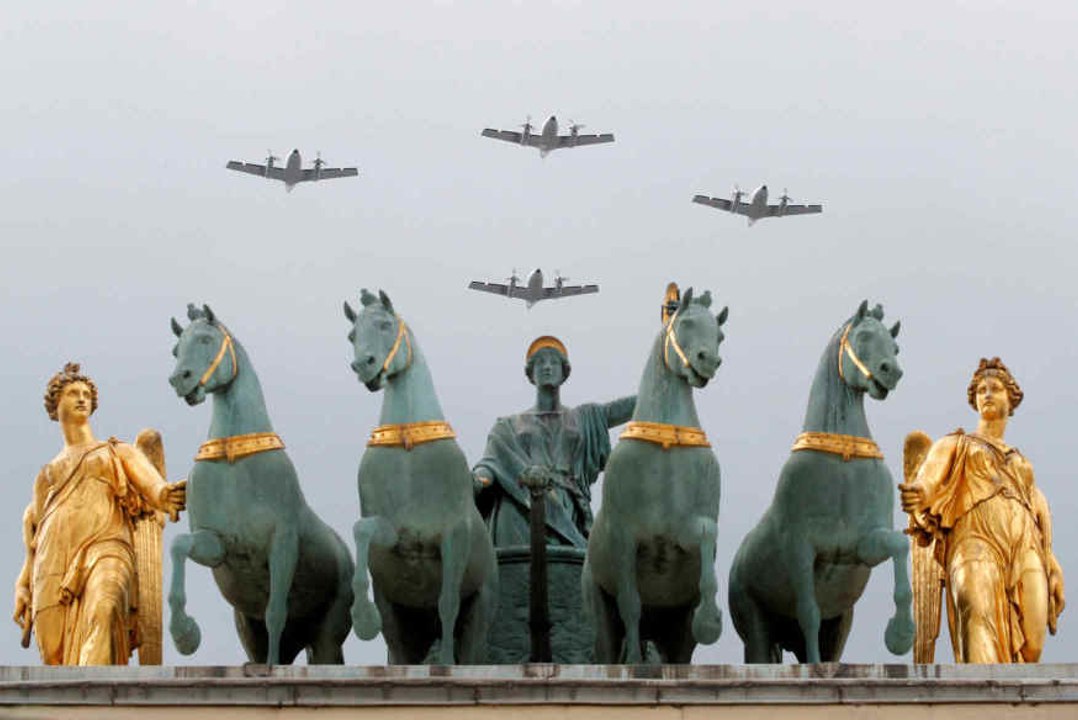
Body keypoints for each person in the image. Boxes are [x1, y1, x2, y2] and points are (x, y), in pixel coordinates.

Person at [12, 363, 186, 665]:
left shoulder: (115, 451)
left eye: (86, 394)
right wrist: (22, 585)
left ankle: (93, 693)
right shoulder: (46, 475)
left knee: (105, 607)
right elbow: (35, 542)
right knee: (55, 653)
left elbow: (151, 484)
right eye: (72, 393)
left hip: (107, 547)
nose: (82, 398)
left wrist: (164, 495)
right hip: (53, 562)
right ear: (55, 406)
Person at [900, 358, 1065, 662]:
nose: (987, 394)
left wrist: (1051, 560)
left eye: (995, 388)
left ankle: (1016, 692)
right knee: (976, 611)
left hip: (1025, 543)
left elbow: (1037, 508)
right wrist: (919, 494)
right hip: (975, 538)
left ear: (1011, 399)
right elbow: (929, 477)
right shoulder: (956, 443)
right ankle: (980, 691)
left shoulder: (1020, 460)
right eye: (981, 390)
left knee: (1033, 645)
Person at [473, 336, 634, 547]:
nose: (547, 367)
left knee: (571, 564)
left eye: (553, 362)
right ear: (531, 374)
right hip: (519, 507)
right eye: (540, 362)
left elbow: (627, 407)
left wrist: (662, 379)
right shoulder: (508, 426)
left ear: (564, 372)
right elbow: (490, 465)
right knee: (517, 564)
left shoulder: (584, 418)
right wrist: (478, 480)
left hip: (566, 507)